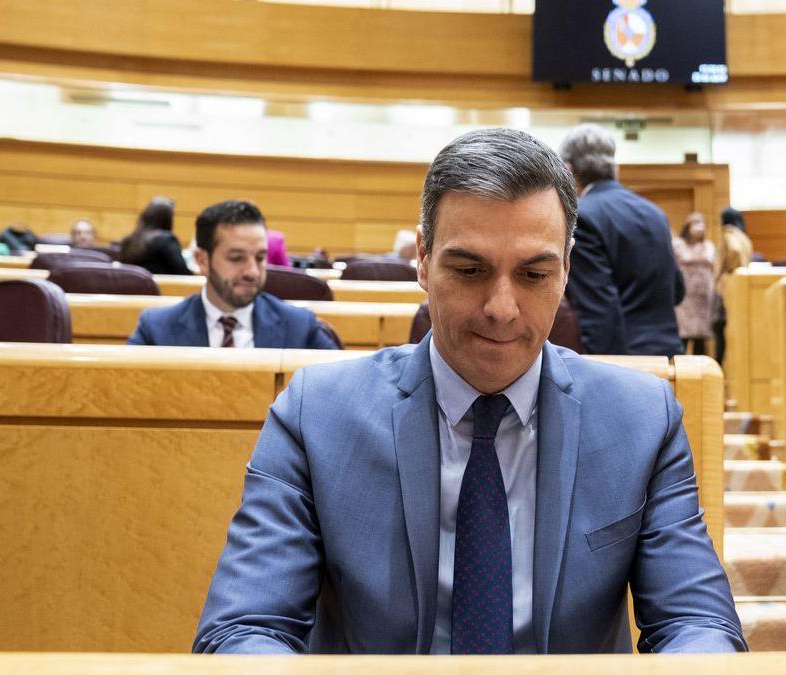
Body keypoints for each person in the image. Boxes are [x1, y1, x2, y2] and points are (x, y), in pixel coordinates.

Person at [193, 128, 745, 655]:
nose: (501, 308)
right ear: (424, 260)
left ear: (567, 271)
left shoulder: (642, 421)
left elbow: (695, 621)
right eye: (470, 269)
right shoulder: (315, 415)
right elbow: (246, 626)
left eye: (533, 275)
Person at [128, 200, 337, 349]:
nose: (252, 272)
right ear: (202, 260)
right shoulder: (156, 329)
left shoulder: (299, 327)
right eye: (237, 258)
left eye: (260, 257)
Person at [558, 123, 685, 356]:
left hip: (623, 361)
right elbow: (677, 290)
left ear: (568, 169)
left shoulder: (582, 217)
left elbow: (598, 311)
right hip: (671, 355)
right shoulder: (654, 212)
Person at [672, 212, 716, 355]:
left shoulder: (708, 245)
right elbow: (683, 258)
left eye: (701, 224)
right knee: (683, 336)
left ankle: (700, 371)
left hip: (703, 296)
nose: (699, 228)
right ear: (688, 226)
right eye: (696, 224)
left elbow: (710, 260)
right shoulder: (678, 244)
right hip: (685, 295)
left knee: (700, 338)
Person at [713, 207, 753, 363]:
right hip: (741, 287)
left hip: (726, 288)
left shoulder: (728, 235)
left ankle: (720, 366)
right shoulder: (744, 237)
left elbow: (733, 252)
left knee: (720, 330)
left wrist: (728, 270)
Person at [120, 196, 194, 275]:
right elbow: (183, 272)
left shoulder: (129, 240)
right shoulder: (166, 240)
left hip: (131, 286)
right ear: (167, 219)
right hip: (161, 286)